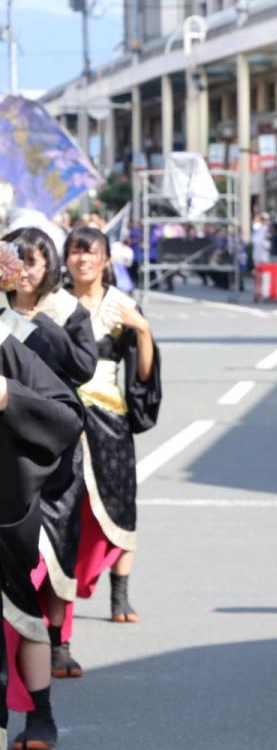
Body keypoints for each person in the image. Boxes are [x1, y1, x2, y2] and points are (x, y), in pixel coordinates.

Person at [0, 233, 96, 750]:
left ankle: (40, 716)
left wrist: (8, 397)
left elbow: (65, 414)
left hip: (21, 485)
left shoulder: (10, 339)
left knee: (22, 608)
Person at [62, 226, 162, 673]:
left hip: (110, 415)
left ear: (106, 259)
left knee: (121, 503)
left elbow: (142, 374)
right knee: (66, 509)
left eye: (91, 252)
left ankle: (120, 594)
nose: (83, 260)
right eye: (76, 252)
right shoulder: (55, 303)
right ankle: (60, 595)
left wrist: (143, 330)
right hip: (63, 415)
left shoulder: (122, 304)